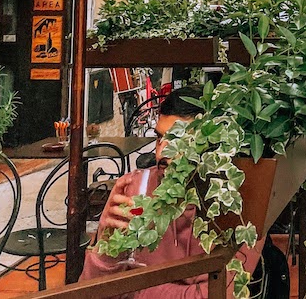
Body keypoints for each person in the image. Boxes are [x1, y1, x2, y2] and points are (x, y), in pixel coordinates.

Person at [81, 87, 260, 297]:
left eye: (176, 141)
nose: (160, 153)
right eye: (159, 138)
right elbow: (90, 290)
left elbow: (210, 295)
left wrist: (131, 288)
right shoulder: (135, 187)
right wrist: (105, 251)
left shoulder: (237, 202)